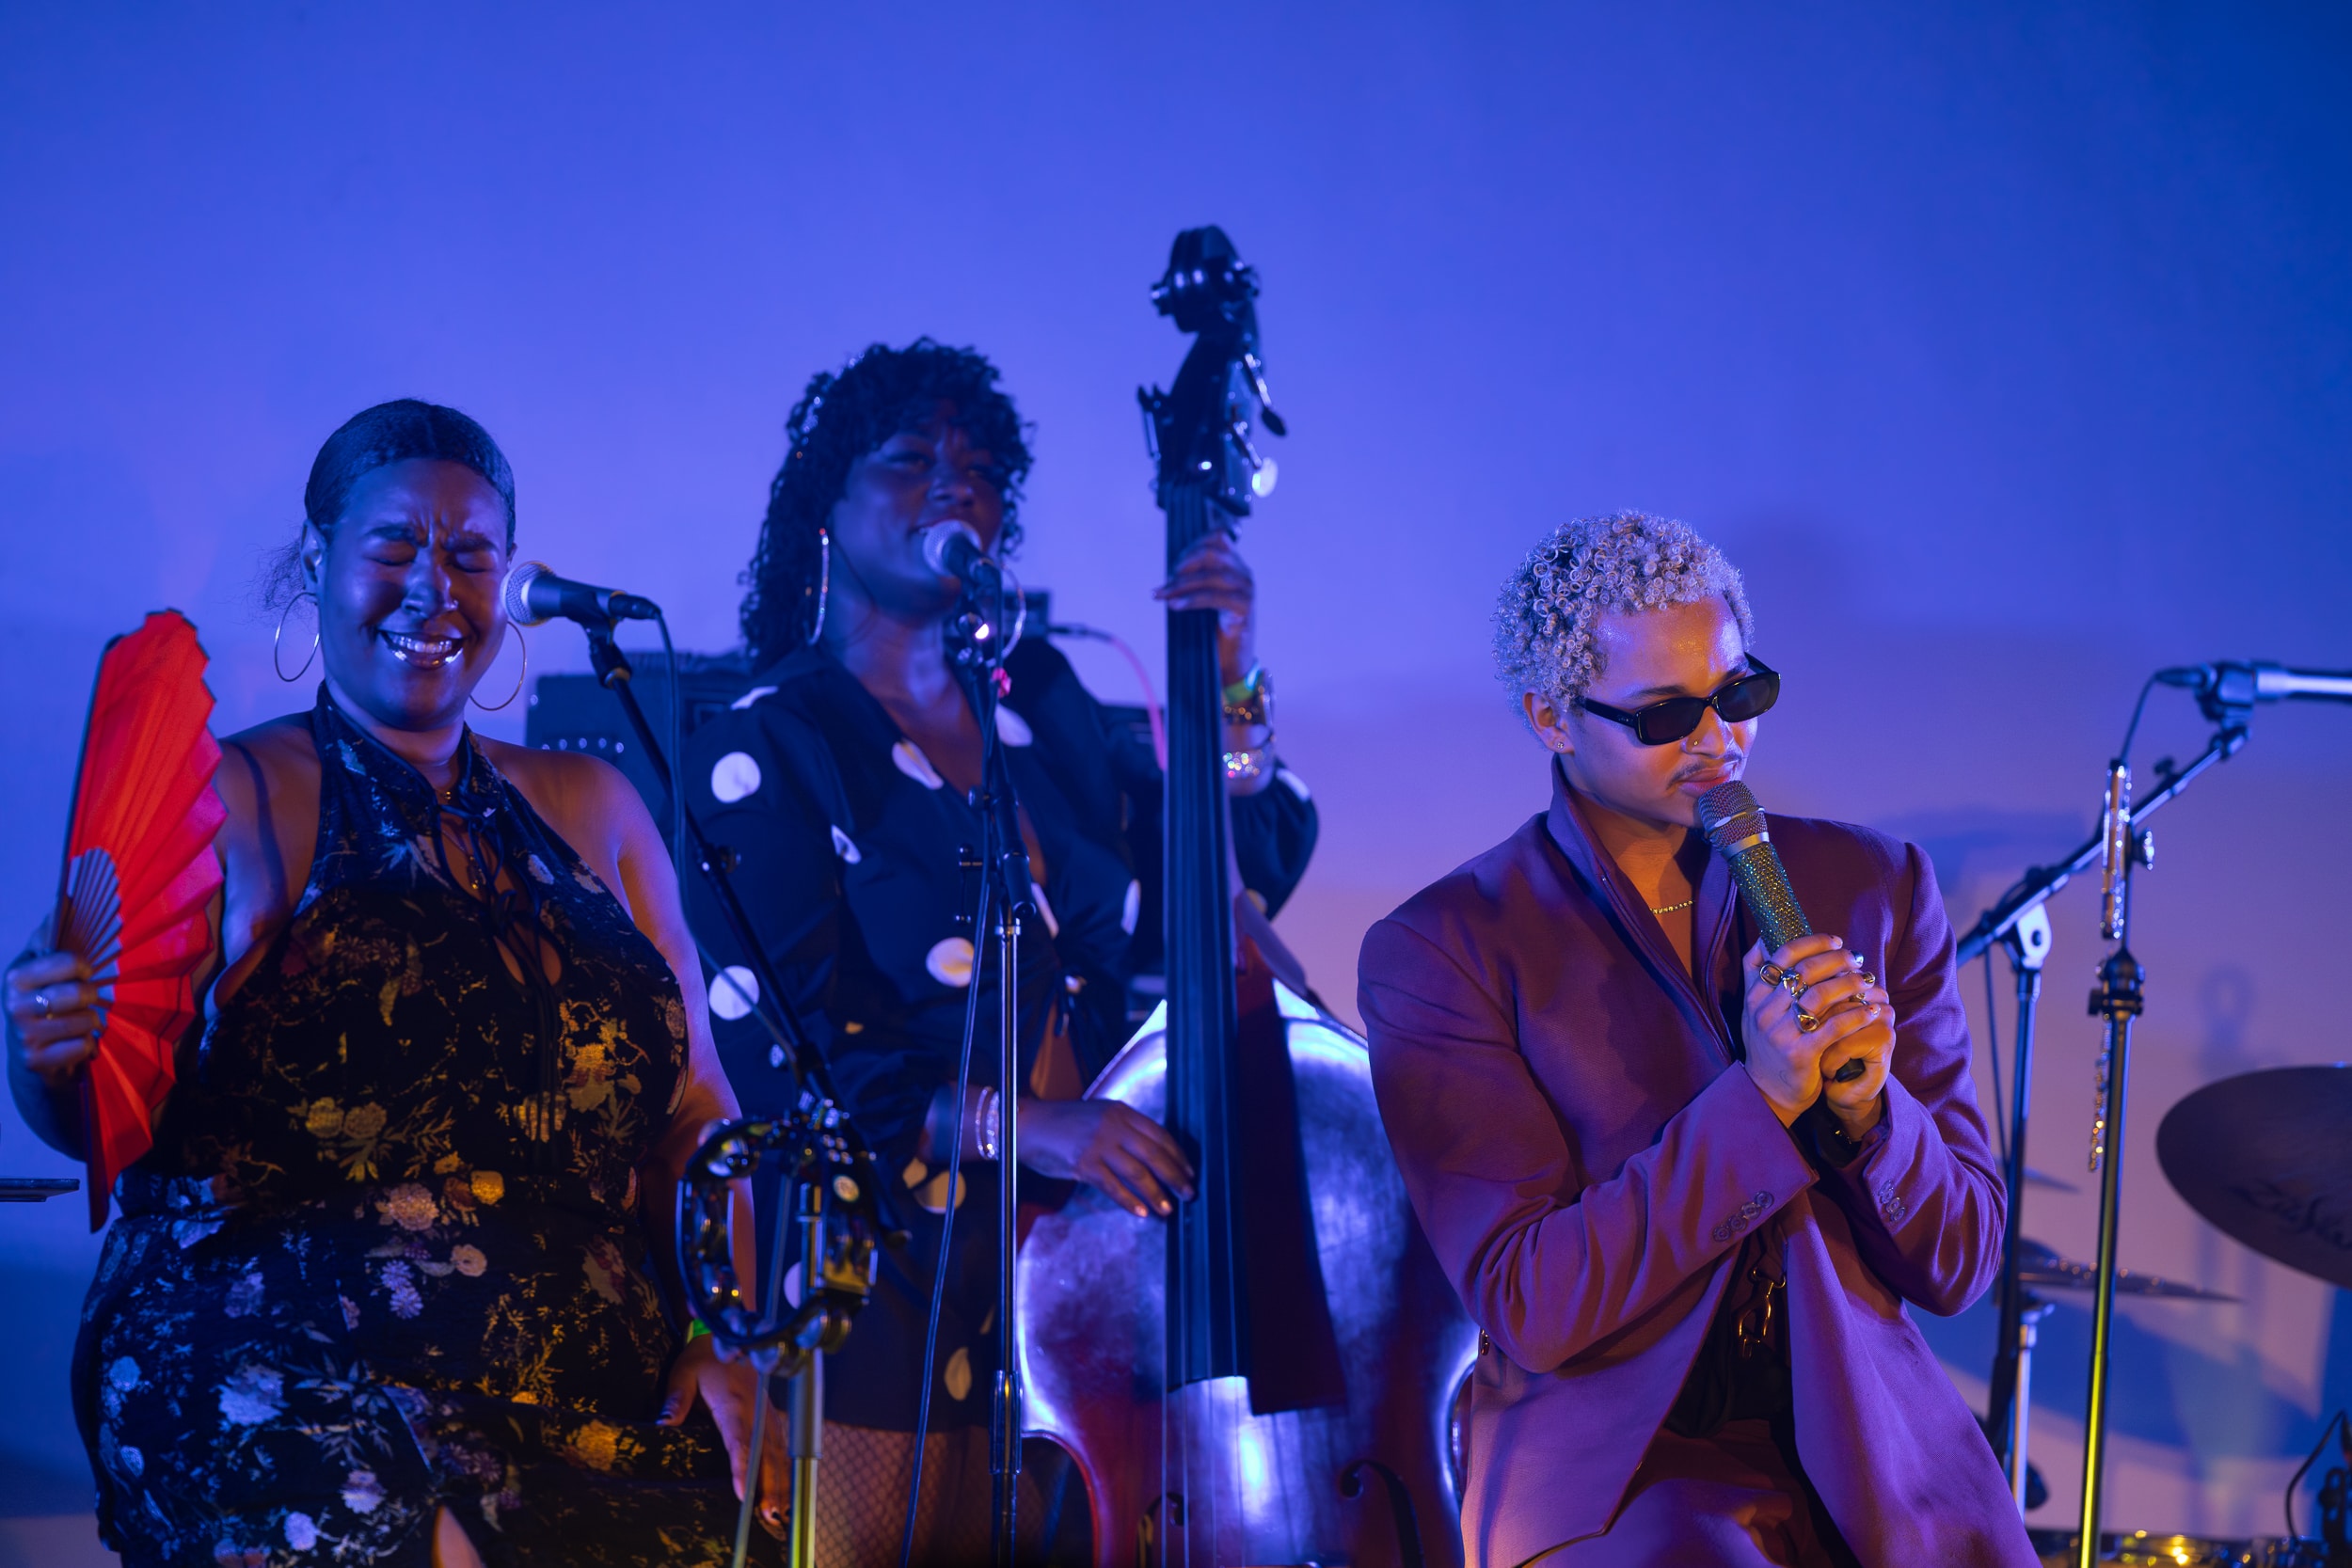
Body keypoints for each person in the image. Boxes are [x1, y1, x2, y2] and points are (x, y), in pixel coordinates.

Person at [5, 401, 787, 1567]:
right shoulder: (228, 798)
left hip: (583, 1385)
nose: (434, 588)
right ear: (317, 560)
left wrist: (729, 1333)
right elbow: (102, 1116)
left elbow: (697, 1111)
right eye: (393, 548)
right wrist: (40, 1055)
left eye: (471, 554)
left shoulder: (598, 807)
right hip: (283, 1360)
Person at [684, 340, 1319, 1561]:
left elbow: (1209, 896)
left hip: (1100, 1260)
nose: (951, 483)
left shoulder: (1038, 691)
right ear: (825, 504)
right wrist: (1029, 1127)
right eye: (909, 457)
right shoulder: (768, 745)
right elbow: (793, 1072)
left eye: (977, 468)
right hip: (893, 1276)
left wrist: (1228, 679)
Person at [1359, 513, 2036, 1567]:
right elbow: (1531, 1301)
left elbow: (1960, 1261)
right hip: (1624, 1474)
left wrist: (1870, 1111)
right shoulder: (1449, 945)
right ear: (1551, 716)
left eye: (1737, 694)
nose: (1718, 741)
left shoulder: (1874, 884)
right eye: (1666, 714)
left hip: (1876, 1455)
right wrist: (1761, 1100)